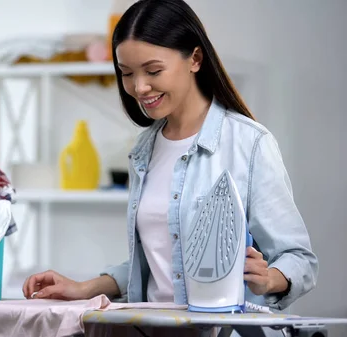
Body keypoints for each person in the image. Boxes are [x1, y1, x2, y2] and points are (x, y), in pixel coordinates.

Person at [23, 0, 317, 319]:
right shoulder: (143, 150)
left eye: (153, 71)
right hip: (152, 326)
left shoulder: (249, 143)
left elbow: (299, 259)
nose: (139, 87)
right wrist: (83, 288)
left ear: (195, 58)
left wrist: (269, 279)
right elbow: (156, 262)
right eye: (126, 73)